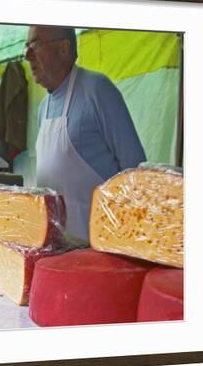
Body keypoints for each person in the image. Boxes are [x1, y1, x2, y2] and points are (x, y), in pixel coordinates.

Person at [25, 25, 146, 242]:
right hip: (54, 243)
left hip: (97, 246)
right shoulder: (43, 107)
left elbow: (134, 171)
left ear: (64, 48)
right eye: (26, 47)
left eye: (36, 45)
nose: (27, 56)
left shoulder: (97, 90)